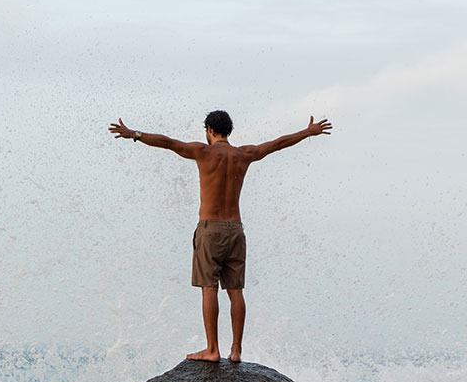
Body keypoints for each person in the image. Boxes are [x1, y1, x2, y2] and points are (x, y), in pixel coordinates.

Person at [108, 110, 332, 363]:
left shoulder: (203, 152)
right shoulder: (244, 154)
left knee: (208, 288)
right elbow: (277, 144)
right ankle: (236, 350)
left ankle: (212, 349)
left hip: (210, 229)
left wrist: (134, 134)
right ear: (228, 131)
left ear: (209, 130)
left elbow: (168, 143)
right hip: (236, 229)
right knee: (235, 290)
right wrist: (307, 132)